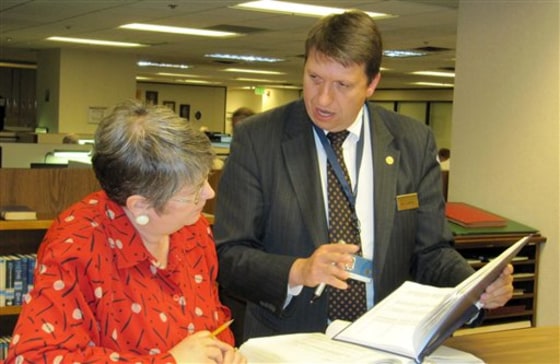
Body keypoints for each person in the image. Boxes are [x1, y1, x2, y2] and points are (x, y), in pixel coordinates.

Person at [213, 10, 513, 342]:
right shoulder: (258, 139)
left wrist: (475, 287)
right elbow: (229, 255)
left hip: (387, 344)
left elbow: (431, 251)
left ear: (372, 83)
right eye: (314, 78)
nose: (323, 98)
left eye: (342, 85)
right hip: (289, 343)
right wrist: (298, 270)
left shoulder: (412, 142)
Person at [5, 99, 246, 364]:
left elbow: (211, 319)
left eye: (205, 181)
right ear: (140, 205)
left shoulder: (192, 230)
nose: (210, 194)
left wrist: (223, 352)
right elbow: (36, 357)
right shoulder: (76, 246)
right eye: (193, 191)